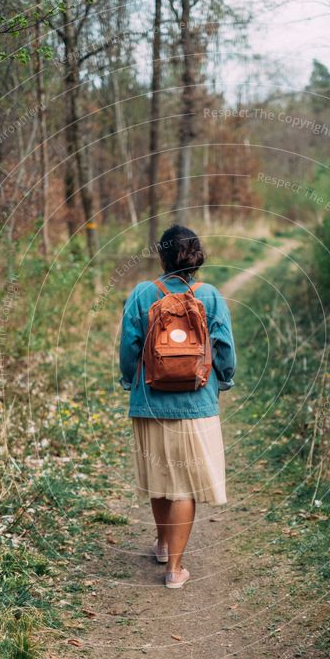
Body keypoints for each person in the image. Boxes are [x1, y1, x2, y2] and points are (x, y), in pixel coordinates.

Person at [119, 224, 236, 589]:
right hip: (196, 404)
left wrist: (130, 382)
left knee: (161, 480)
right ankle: (175, 568)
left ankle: (162, 543)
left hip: (149, 402)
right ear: (195, 255)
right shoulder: (211, 295)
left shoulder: (142, 294)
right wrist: (224, 380)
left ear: (162, 256)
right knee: (184, 485)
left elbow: (129, 350)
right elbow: (224, 349)